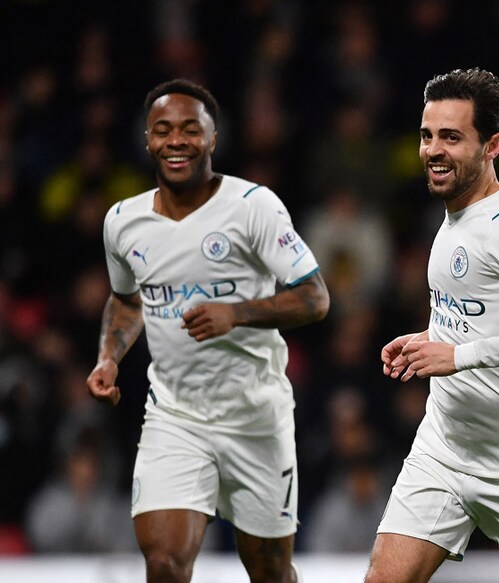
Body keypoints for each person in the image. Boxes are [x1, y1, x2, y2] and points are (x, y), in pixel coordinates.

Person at [87, 79, 329, 583]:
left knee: (270, 571)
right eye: (163, 130)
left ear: (213, 138)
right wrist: (109, 357)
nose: (176, 140)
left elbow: (315, 297)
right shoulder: (122, 222)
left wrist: (235, 313)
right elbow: (128, 301)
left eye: (190, 129)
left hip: (256, 417)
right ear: (148, 140)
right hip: (175, 416)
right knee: (164, 563)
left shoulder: (253, 207)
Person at [365, 68, 499, 583]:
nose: (433, 150)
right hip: (445, 446)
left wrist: (458, 356)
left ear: (493, 146)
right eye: (427, 136)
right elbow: (482, 312)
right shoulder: (454, 214)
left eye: (452, 137)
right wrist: (432, 339)